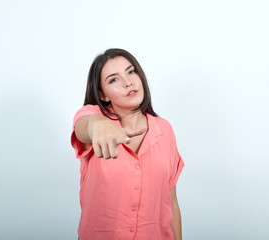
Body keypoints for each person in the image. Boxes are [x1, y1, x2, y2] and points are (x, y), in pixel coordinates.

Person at [71, 48, 184, 240]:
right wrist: (97, 125)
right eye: (113, 79)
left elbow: (171, 202)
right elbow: (83, 125)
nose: (128, 82)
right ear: (103, 94)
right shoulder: (93, 118)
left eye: (131, 71)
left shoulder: (165, 129)